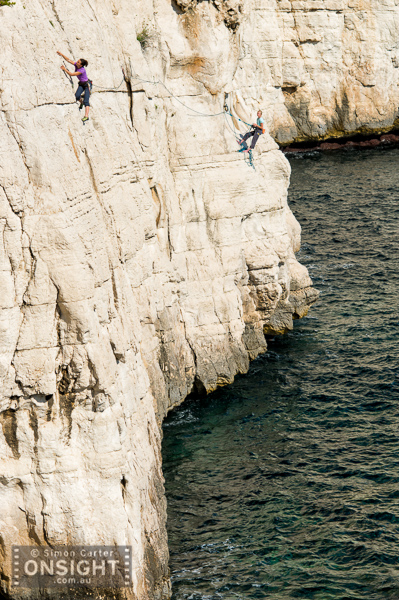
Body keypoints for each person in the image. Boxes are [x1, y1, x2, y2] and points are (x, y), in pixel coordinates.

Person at [57, 51, 91, 123]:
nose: (77, 62)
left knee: (86, 100)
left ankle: (86, 116)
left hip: (86, 85)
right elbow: (69, 60)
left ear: (81, 65)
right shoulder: (76, 65)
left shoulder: (81, 70)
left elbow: (72, 74)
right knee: (77, 96)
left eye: (78, 62)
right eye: (77, 61)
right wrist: (62, 54)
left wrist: (64, 69)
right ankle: (81, 102)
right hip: (81, 84)